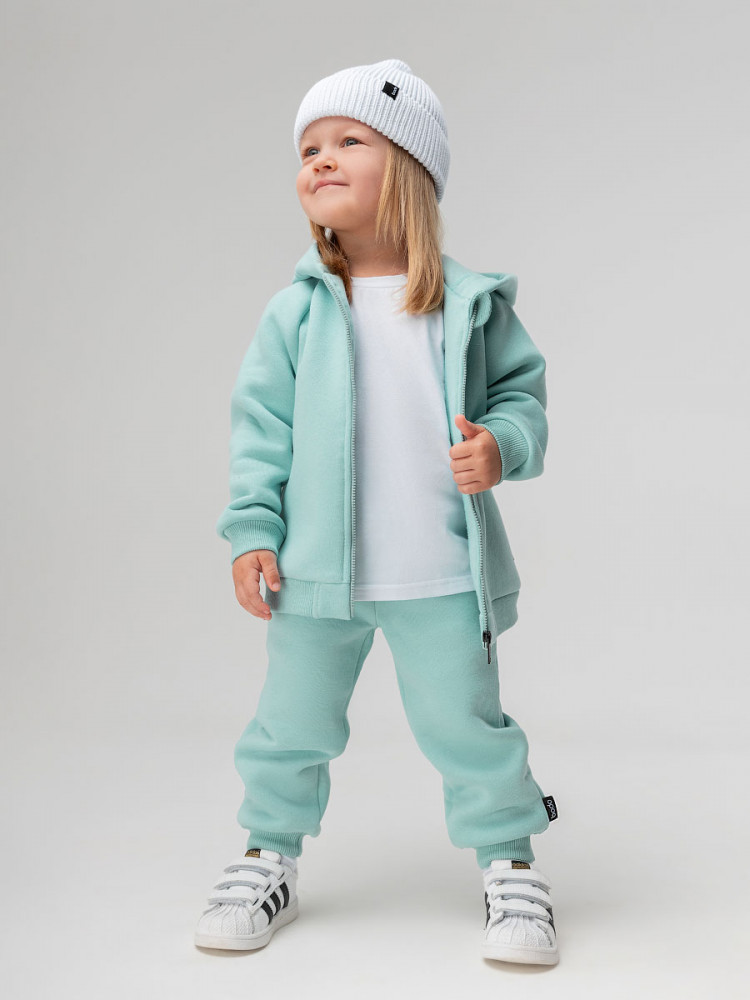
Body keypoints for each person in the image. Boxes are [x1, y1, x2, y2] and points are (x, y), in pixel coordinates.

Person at [194, 58, 560, 966]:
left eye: (348, 141)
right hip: (315, 578)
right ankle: (266, 855)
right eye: (308, 149)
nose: (319, 159)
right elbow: (261, 432)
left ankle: (510, 863)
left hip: (441, 574)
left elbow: (522, 399)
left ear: (409, 170)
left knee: (469, 730)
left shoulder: (468, 306)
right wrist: (253, 531)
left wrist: (501, 446)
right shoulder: (296, 314)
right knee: (289, 726)